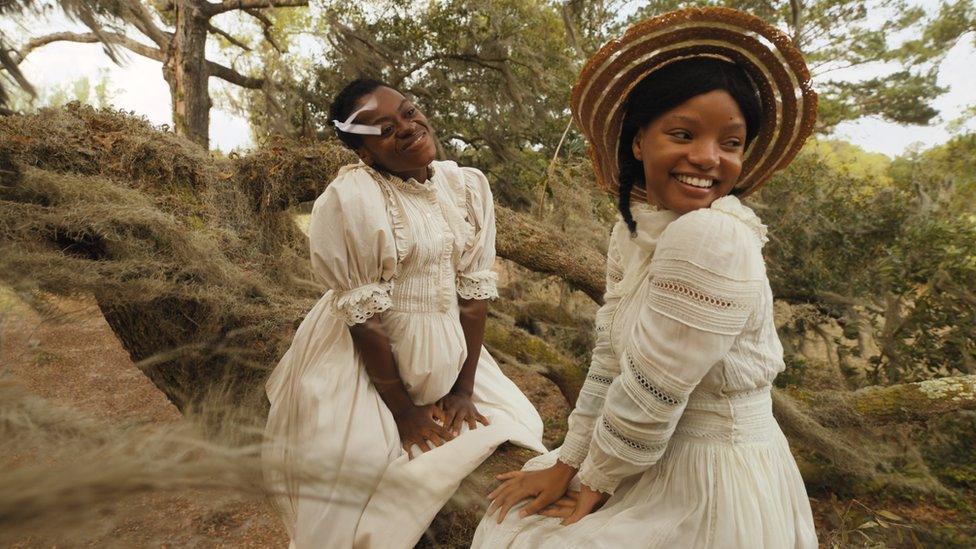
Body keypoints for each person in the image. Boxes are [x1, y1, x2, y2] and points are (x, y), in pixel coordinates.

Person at [473, 7, 819, 548]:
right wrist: (568, 461)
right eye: (683, 133)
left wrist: (596, 479)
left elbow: (653, 391)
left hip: (707, 480)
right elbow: (612, 362)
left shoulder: (711, 236)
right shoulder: (635, 232)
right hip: (653, 460)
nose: (707, 158)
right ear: (639, 141)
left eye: (730, 143)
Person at [263, 78, 545, 549]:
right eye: (385, 128)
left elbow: (472, 296)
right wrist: (403, 411)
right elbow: (363, 317)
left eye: (409, 113)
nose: (408, 128)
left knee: (517, 426)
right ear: (366, 153)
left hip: (447, 347)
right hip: (369, 359)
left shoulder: (465, 186)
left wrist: (462, 388)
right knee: (354, 483)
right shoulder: (354, 197)